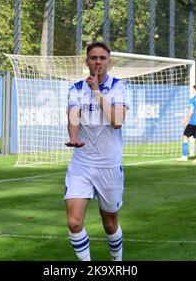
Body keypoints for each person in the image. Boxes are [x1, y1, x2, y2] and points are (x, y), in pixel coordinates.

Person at [64, 41, 129, 261]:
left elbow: (117, 121)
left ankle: (117, 262)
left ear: (109, 61)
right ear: (87, 61)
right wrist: (73, 138)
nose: (98, 62)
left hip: (109, 165)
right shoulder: (75, 89)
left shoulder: (120, 87)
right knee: (74, 222)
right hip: (81, 164)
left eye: (102, 58)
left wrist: (96, 91)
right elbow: (73, 117)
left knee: (110, 224)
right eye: (93, 58)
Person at [177, 84, 196, 163]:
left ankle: (184, 156)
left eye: (192, 89)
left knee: (185, 136)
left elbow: (191, 111)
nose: (192, 90)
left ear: (195, 90)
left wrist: (186, 121)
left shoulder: (192, 99)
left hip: (193, 122)